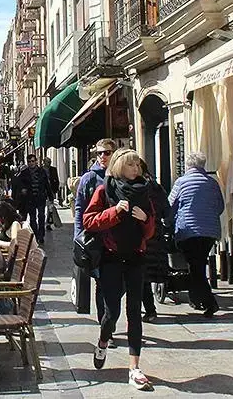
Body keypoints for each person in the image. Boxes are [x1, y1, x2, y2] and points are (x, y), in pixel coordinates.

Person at [82, 148, 157, 390]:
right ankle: (103, 340)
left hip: (136, 257)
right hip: (111, 258)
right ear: (118, 167)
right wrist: (115, 212)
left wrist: (145, 219)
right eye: (131, 165)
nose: (136, 169)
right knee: (111, 313)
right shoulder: (105, 190)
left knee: (134, 311)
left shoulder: (145, 191)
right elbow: (88, 221)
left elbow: (151, 230)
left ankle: (134, 368)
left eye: (137, 165)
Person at [168, 151, 224, 317]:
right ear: (203, 165)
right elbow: (220, 207)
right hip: (209, 232)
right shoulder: (212, 183)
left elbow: (170, 206)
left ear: (187, 166)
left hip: (188, 231)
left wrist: (168, 222)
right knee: (197, 265)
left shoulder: (181, 182)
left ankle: (210, 303)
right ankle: (195, 299)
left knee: (195, 267)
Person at [73, 139, 115, 322]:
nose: (102, 156)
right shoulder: (89, 178)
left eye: (106, 152)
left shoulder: (121, 175)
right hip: (96, 239)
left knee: (116, 286)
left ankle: (109, 319)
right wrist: (78, 237)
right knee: (101, 284)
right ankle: (105, 326)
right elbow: (79, 209)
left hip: (117, 239)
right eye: (99, 153)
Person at [139, 158, 171, 323]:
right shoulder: (156, 187)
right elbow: (167, 211)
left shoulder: (136, 188)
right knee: (145, 275)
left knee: (141, 276)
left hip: (143, 236)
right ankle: (150, 309)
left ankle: (148, 310)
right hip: (156, 234)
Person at [14, 154, 52, 246]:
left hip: (41, 198)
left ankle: (41, 235)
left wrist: (50, 196)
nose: (31, 163)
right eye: (29, 161)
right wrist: (23, 189)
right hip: (30, 199)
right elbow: (19, 184)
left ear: (36, 162)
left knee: (41, 216)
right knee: (32, 218)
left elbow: (47, 184)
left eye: (33, 161)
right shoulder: (24, 173)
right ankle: (35, 235)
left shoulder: (42, 172)